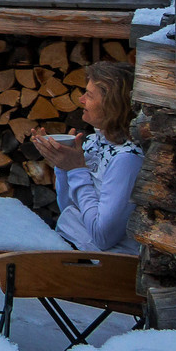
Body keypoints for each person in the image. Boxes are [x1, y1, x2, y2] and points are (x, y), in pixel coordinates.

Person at [32, 61, 143, 252]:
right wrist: (63, 163)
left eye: (89, 95)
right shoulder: (93, 141)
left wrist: (76, 168)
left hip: (104, 266)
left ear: (113, 105)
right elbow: (67, 208)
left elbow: (102, 237)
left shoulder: (128, 159)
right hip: (73, 243)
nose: (81, 99)